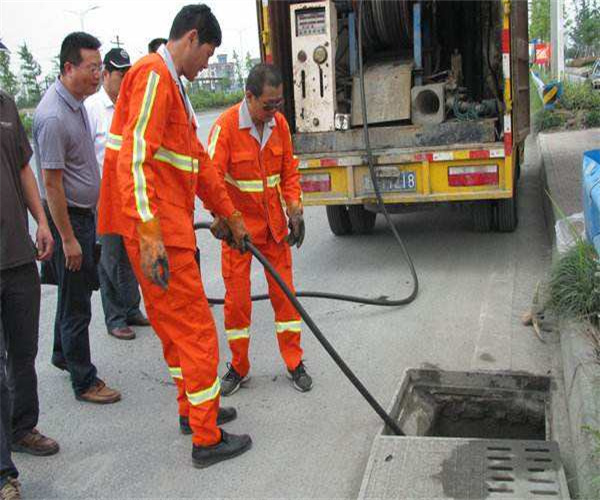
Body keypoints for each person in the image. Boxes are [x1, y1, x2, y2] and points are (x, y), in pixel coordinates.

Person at [97, 4, 252, 468]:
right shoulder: (151, 77)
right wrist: (147, 232)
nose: (207, 64)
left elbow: (198, 166)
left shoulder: (175, 90)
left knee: (176, 332)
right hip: (159, 232)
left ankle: (195, 410)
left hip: (165, 230)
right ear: (189, 38)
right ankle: (207, 438)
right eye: (207, 54)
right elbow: (134, 159)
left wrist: (229, 215)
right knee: (198, 331)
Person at [206, 64, 312, 396]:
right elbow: (210, 182)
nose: (274, 112)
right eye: (268, 105)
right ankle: (238, 366)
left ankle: (294, 361)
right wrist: (224, 219)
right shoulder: (225, 128)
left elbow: (288, 172)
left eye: (278, 104)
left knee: (286, 297)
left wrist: (295, 209)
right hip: (240, 236)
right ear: (249, 98)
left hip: (274, 230)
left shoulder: (278, 125)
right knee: (237, 303)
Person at [33, 32, 121, 404]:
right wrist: (67, 238)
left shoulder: (76, 104)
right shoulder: (53, 116)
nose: (98, 74)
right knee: (77, 304)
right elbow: (51, 185)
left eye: (100, 67)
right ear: (68, 68)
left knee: (75, 293)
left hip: (82, 216)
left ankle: (61, 354)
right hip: (68, 220)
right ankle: (84, 381)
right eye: (92, 67)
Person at [0, 87, 60, 500]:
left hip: (18, 255)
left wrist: (40, 219)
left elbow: (22, 167)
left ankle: (22, 428)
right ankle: (4, 472)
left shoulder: (5, 105)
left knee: (23, 354)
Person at [85, 47, 150, 341]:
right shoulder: (93, 110)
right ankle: (114, 317)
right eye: (120, 74)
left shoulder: (132, 104)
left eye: (128, 73)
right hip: (105, 199)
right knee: (109, 259)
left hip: (129, 194)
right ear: (106, 74)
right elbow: (85, 157)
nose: (124, 80)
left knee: (129, 256)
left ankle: (131, 308)